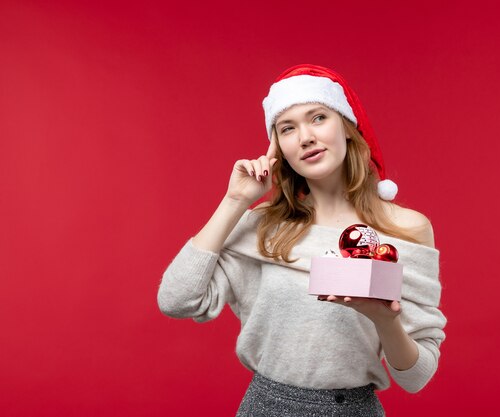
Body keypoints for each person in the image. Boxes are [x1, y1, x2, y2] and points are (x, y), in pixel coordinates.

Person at [157, 64, 447, 416]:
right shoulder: (263, 227)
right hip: (266, 406)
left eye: (318, 117)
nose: (305, 137)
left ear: (348, 127)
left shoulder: (405, 230)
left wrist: (385, 319)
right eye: (288, 128)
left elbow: (417, 377)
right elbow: (176, 299)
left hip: (353, 409)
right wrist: (235, 202)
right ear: (279, 148)